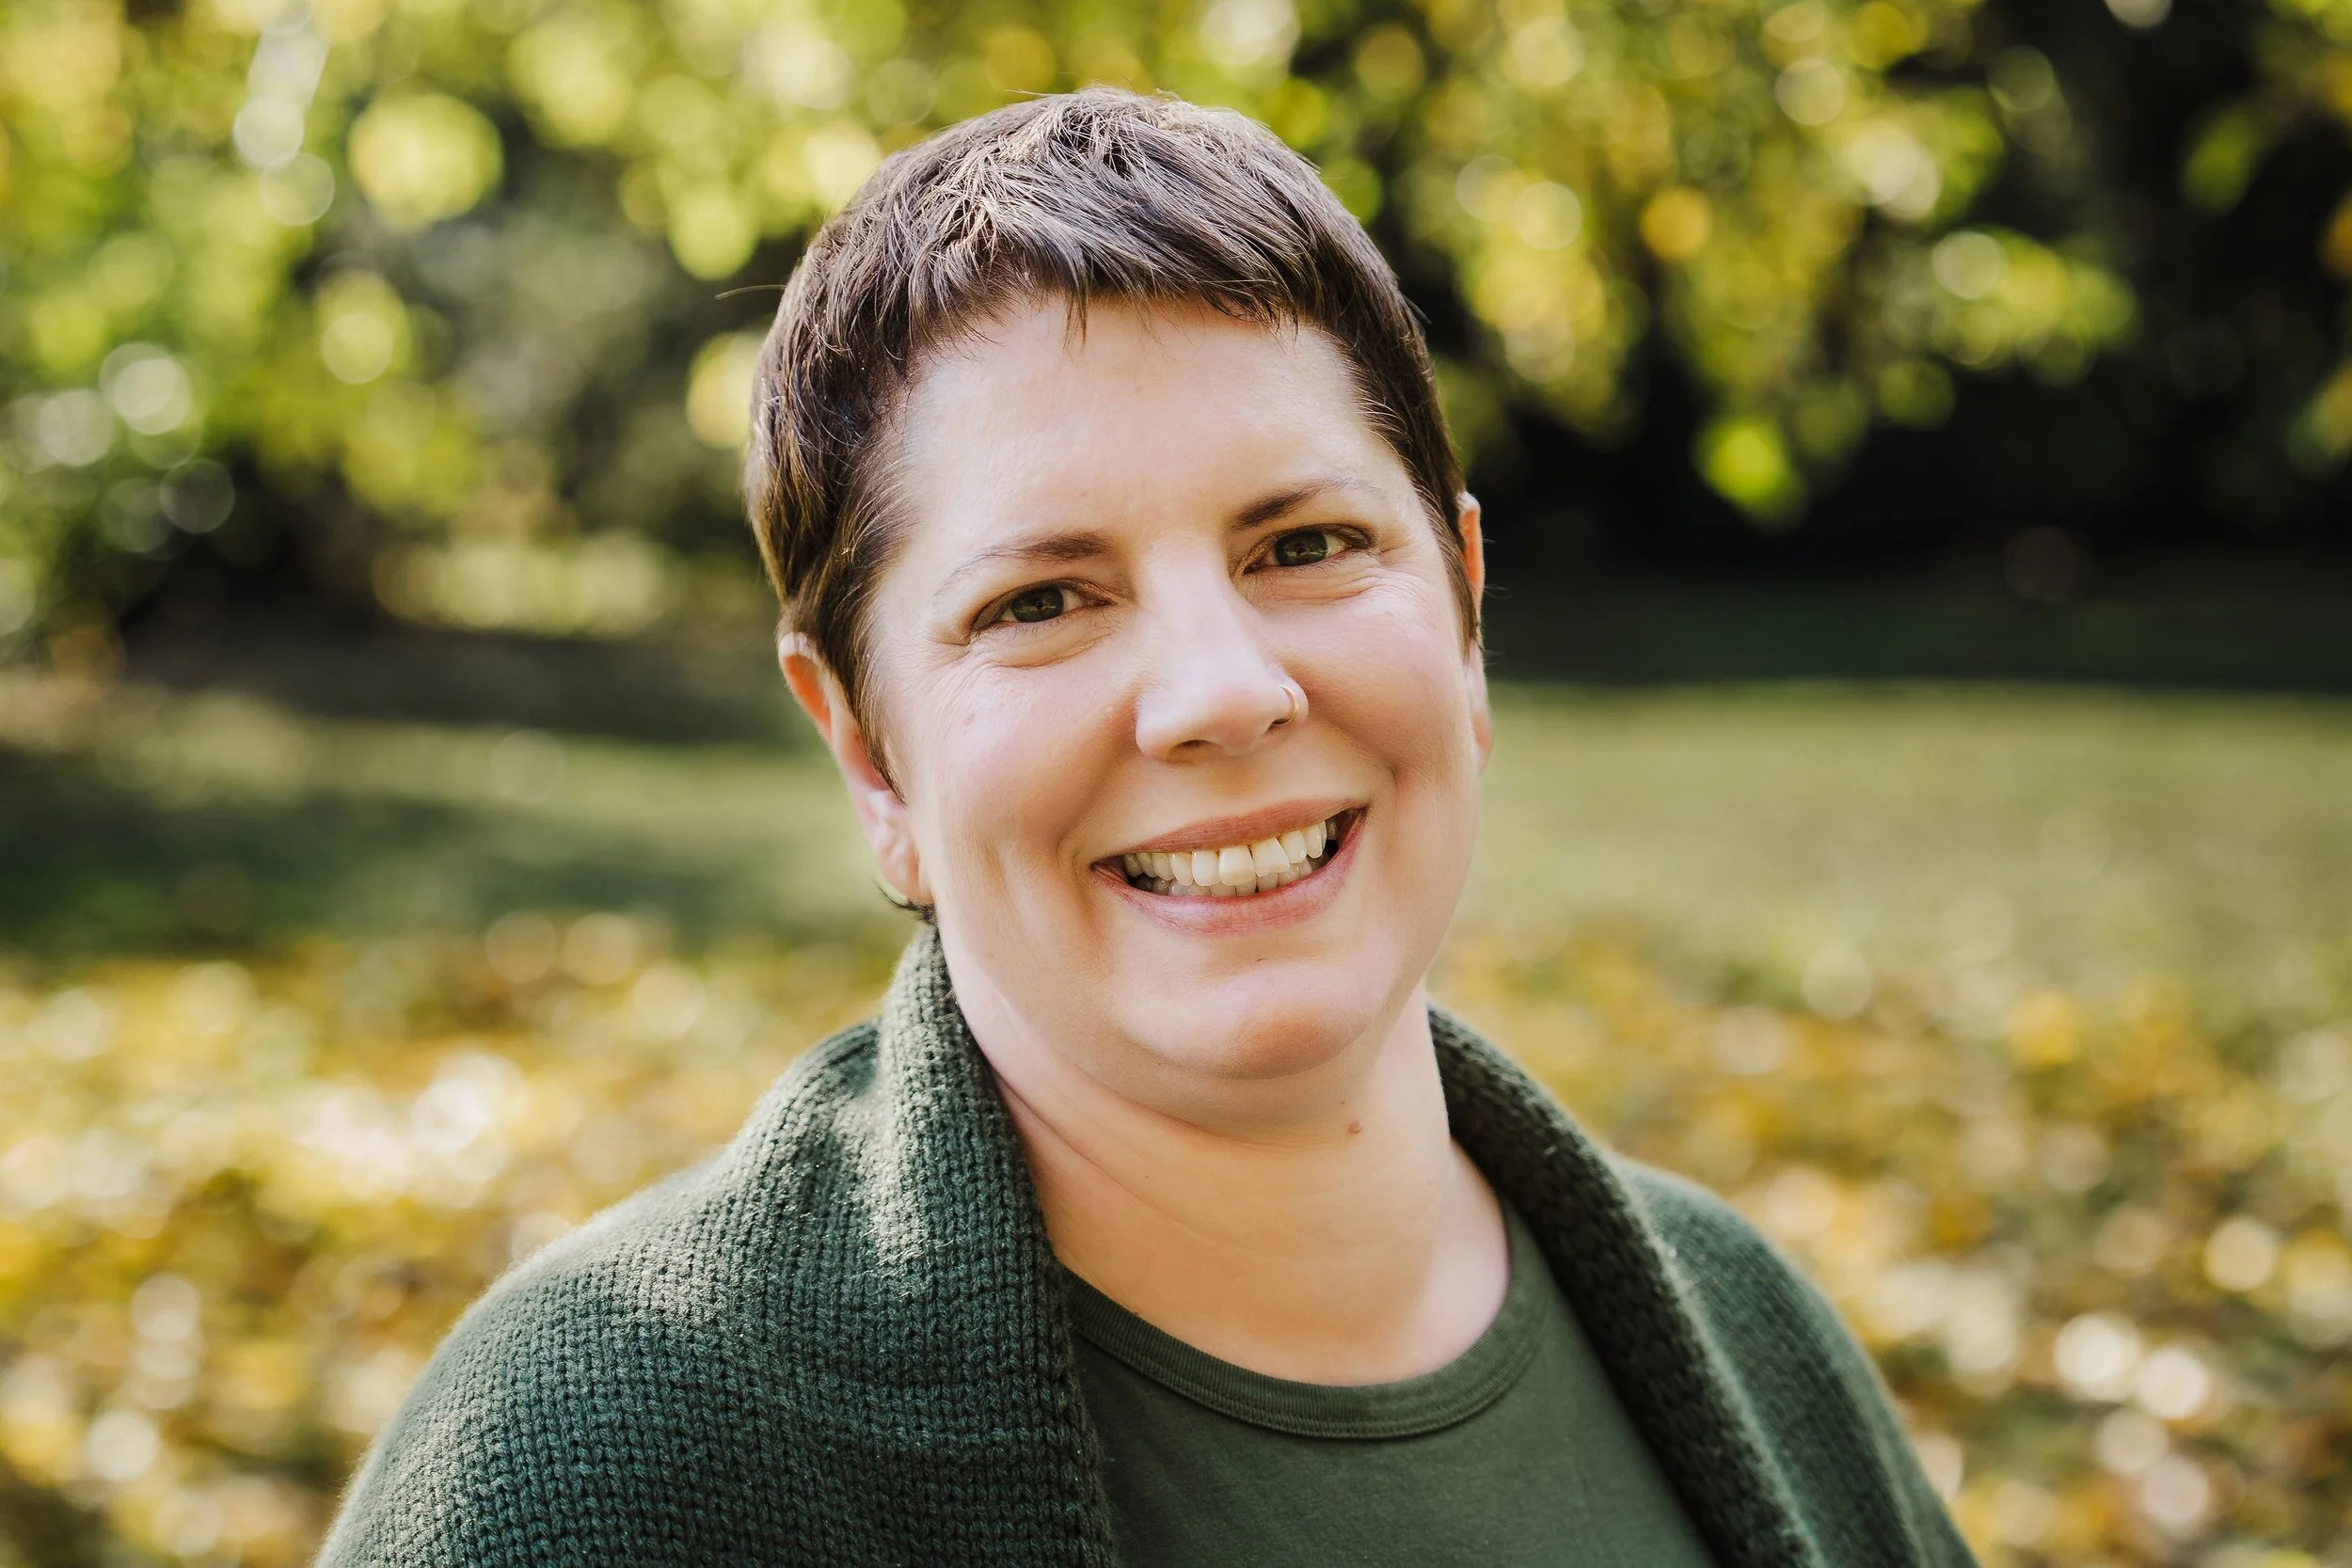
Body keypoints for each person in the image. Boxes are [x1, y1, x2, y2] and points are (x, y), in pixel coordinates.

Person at [319, 87, 1975, 1567]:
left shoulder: (1756, 1337)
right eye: (1041, 597)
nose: (1219, 690)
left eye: (1309, 544)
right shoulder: (585, 1470)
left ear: (1466, 612)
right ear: (869, 755)